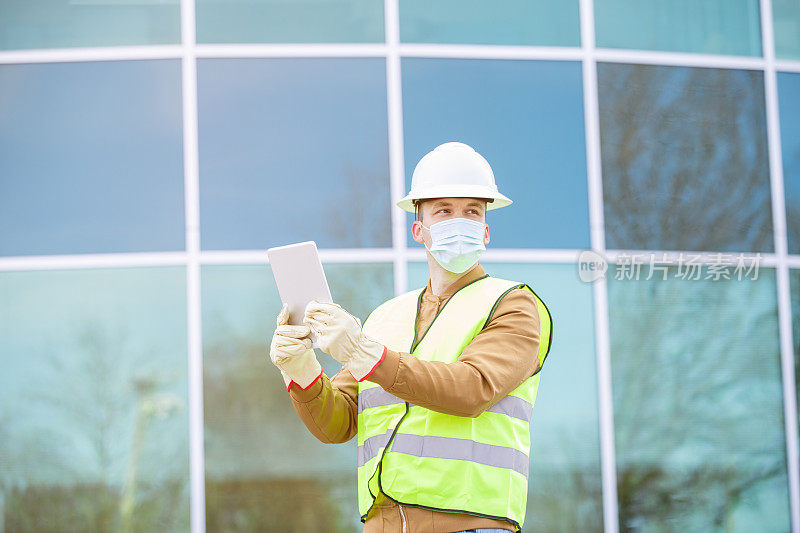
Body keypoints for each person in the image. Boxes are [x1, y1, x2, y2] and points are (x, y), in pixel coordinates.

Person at [268, 141, 553, 533]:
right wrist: (300, 369)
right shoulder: (385, 317)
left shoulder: (512, 305)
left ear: (485, 229)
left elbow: (472, 389)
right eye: (444, 211)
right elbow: (339, 423)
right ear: (419, 230)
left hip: (470, 526)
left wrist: (365, 354)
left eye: (472, 211)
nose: (460, 221)